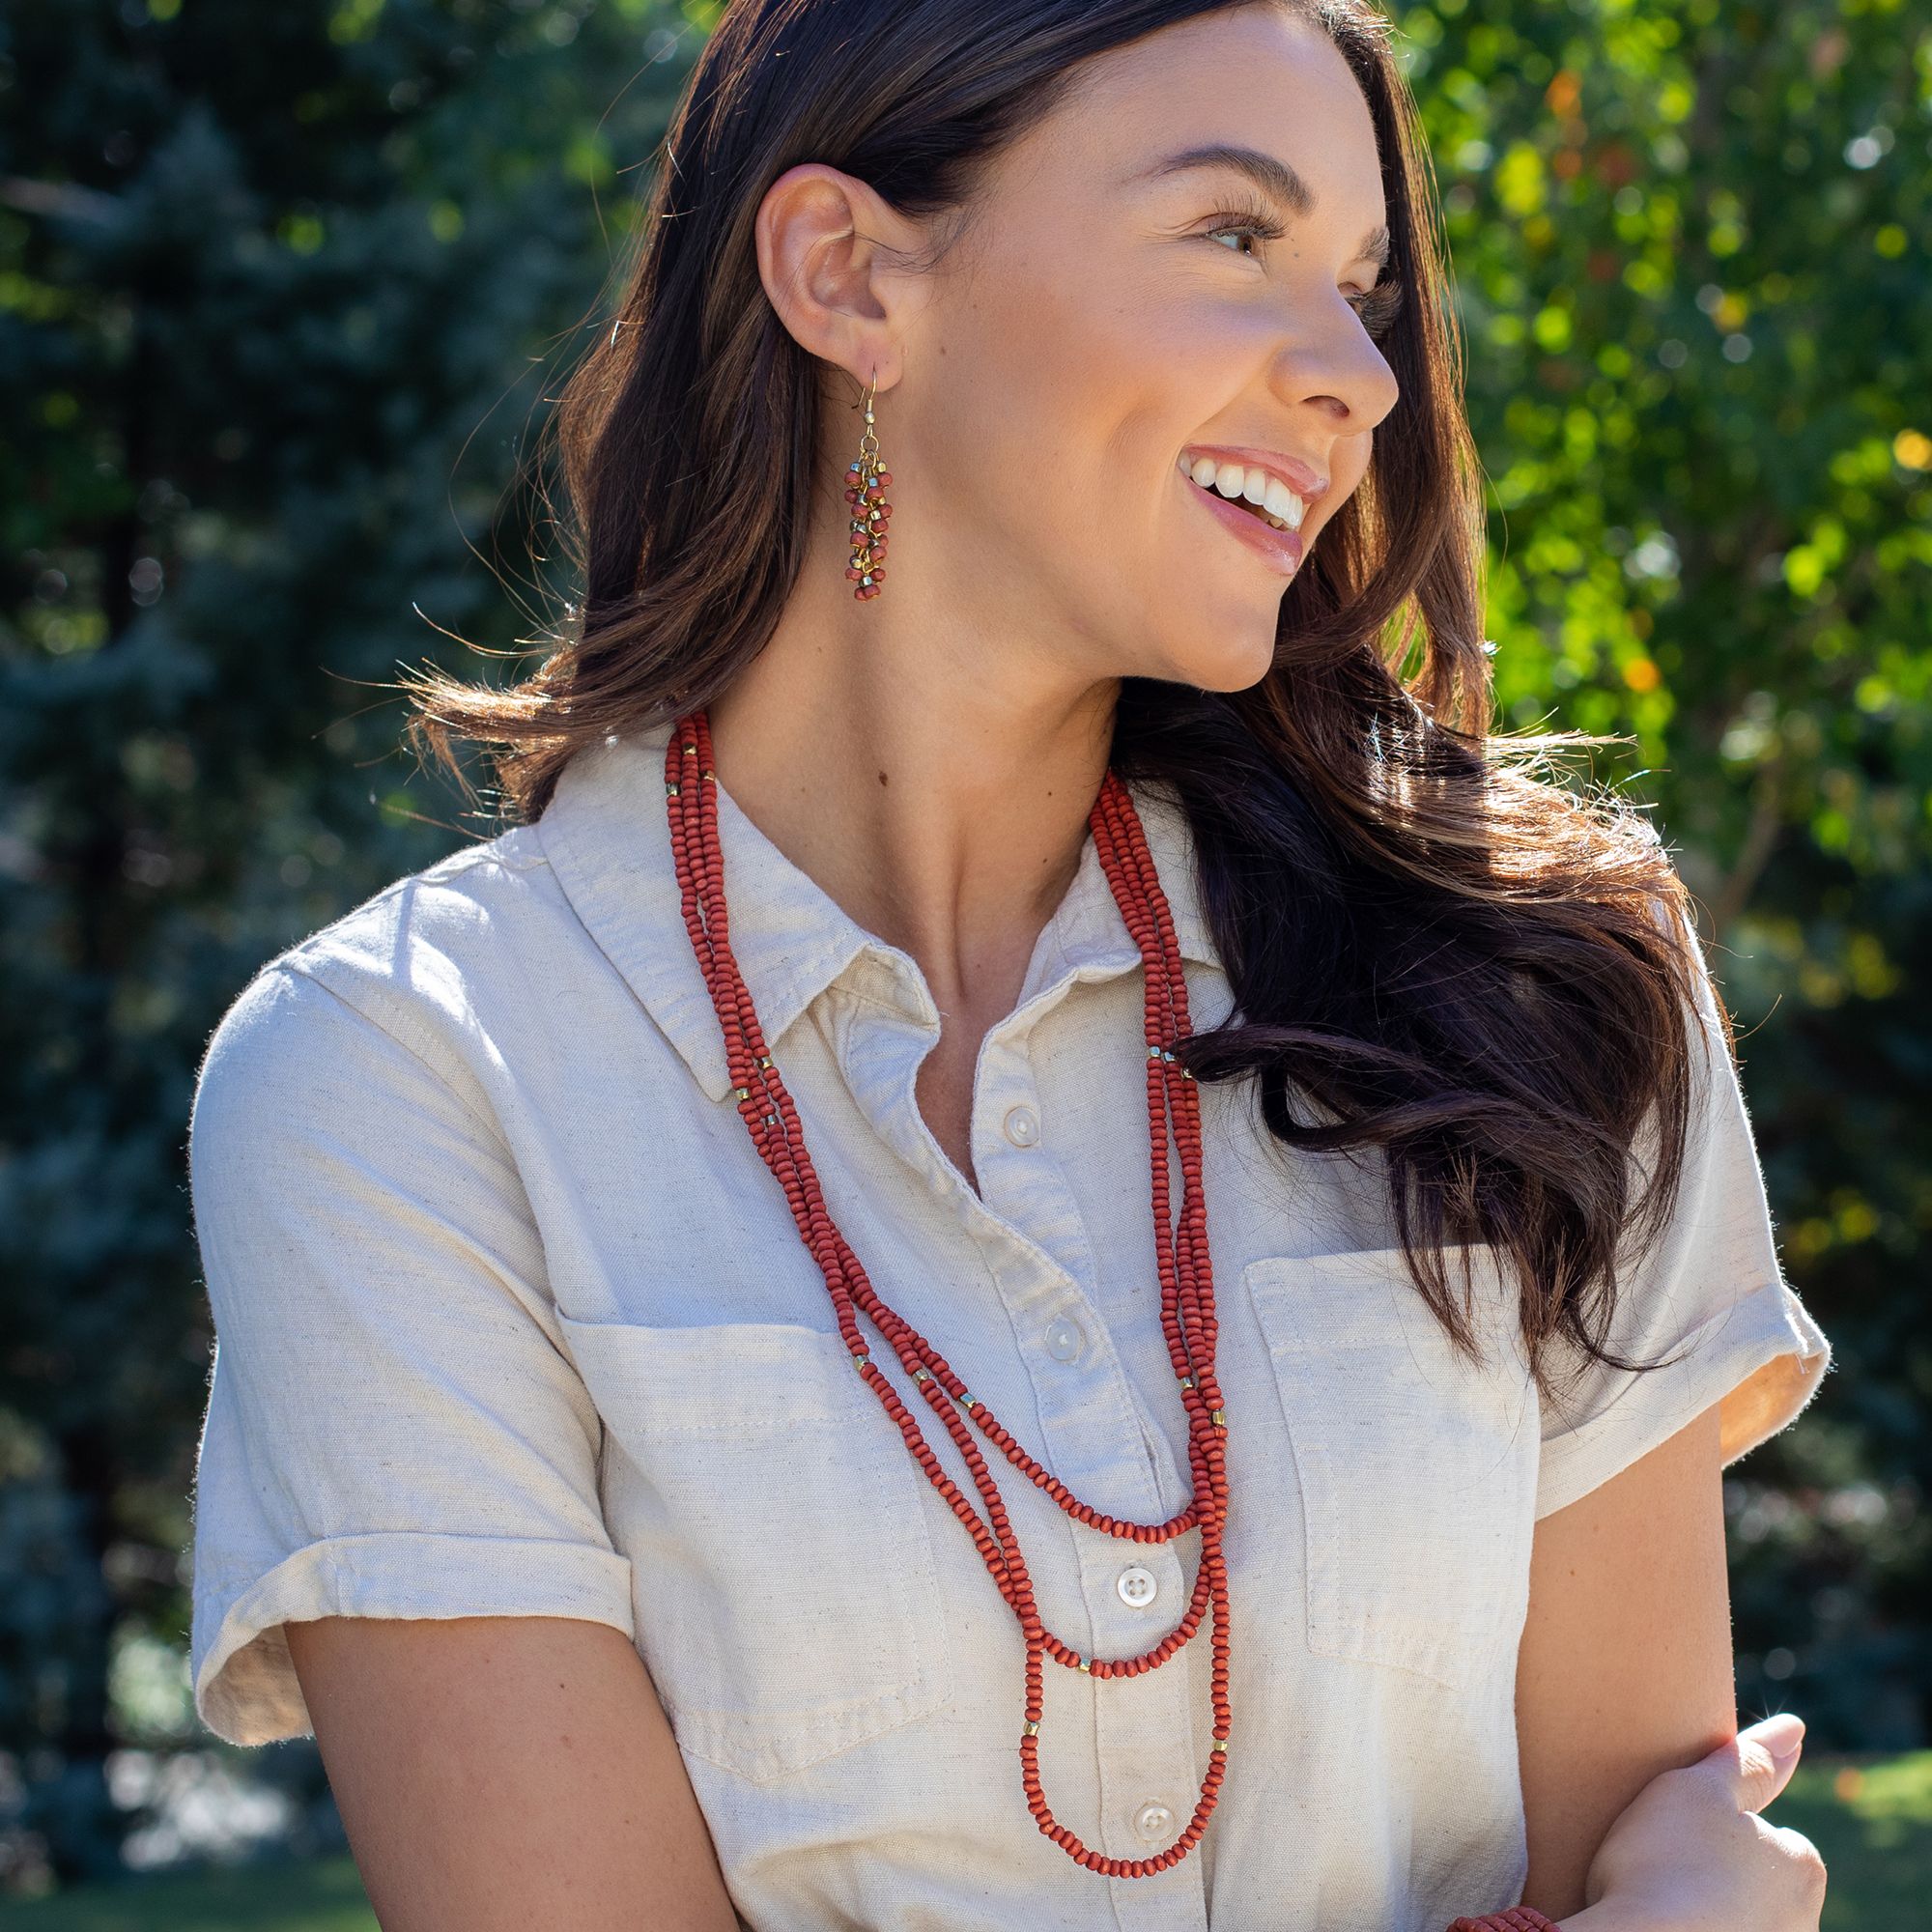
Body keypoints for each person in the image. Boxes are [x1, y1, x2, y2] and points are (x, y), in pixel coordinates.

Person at [183, 3, 1835, 1928]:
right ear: (849, 276)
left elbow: (1624, 1839)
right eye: (1233, 237)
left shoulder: (1543, 976)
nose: (1354, 377)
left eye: (1362, 287)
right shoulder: (403, 1083)